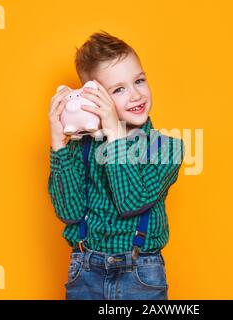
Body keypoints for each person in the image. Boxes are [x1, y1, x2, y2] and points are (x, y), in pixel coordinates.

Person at [47, 30, 185, 300]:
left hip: (141, 274)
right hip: (85, 271)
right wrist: (57, 142)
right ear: (93, 99)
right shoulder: (80, 149)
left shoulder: (166, 148)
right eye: (119, 89)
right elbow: (69, 212)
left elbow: (132, 201)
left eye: (139, 81)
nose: (135, 95)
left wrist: (115, 135)